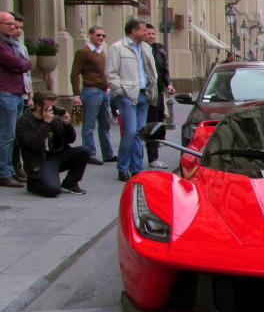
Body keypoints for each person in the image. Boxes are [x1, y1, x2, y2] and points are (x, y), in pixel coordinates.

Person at [106, 18, 158, 182]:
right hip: (127, 95)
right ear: (133, 31)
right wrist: (120, 91)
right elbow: (110, 73)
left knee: (139, 133)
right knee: (129, 131)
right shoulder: (117, 48)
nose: (146, 33)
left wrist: (152, 86)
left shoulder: (145, 48)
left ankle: (137, 168)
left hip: (143, 93)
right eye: (143, 30)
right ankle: (122, 167)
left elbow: (151, 70)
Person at [16, 90, 90, 196]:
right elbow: (33, 144)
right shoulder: (25, 121)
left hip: (56, 156)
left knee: (85, 151)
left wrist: (67, 124)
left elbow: (70, 140)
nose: (52, 110)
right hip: (39, 161)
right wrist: (46, 123)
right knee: (53, 190)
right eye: (48, 107)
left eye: (54, 107)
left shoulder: (54, 118)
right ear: (37, 106)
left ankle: (70, 183)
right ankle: (34, 182)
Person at [70, 25, 116, 166]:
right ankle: (89, 153)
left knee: (105, 124)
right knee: (89, 125)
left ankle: (108, 154)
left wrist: (108, 87)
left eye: (103, 36)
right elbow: (74, 73)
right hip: (91, 91)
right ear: (90, 35)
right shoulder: (83, 52)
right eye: (98, 35)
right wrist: (76, 95)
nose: (101, 38)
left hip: (103, 91)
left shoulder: (102, 52)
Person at [0, 11, 32, 188]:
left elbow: (25, 63)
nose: (13, 27)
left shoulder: (13, 43)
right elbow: (15, 63)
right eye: (9, 24)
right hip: (6, 93)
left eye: (14, 24)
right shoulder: (1, 44)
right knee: (6, 135)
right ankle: (3, 173)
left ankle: (12, 169)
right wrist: (22, 65)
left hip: (18, 93)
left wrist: (22, 64)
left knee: (14, 136)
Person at [143, 24, 176, 168]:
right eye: (148, 33)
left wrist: (168, 84)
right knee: (143, 127)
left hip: (157, 94)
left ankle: (153, 157)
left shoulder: (158, 50)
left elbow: (164, 71)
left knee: (155, 126)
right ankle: (137, 158)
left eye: (153, 33)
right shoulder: (140, 50)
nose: (151, 36)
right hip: (144, 93)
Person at [9, 13, 32, 183]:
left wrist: (30, 95)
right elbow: (18, 66)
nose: (17, 31)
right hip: (11, 93)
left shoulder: (21, 47)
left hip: (23, 94)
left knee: (18, 134)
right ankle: (10, 166)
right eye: (15, 27)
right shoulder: (7, 47)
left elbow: (27, 72)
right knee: (8, 134)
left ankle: (17, 164)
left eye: (20, 28)